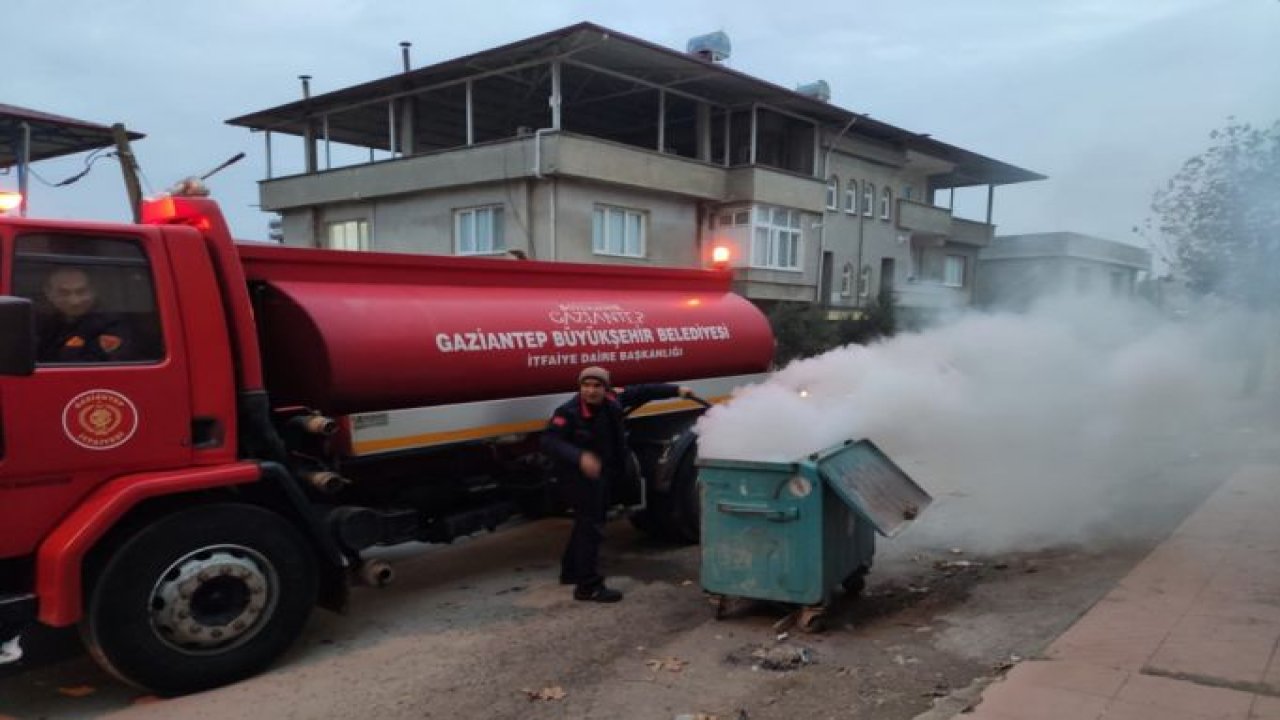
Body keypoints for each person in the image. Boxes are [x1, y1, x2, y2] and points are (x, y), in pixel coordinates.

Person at [541, 366, 693, 602]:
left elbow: (644, 391)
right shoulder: (568, 412)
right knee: (591, 528)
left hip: (603, 472)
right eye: (586, 386)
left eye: (596, 386)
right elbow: (550, 441)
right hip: (578, 477)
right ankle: (588, 587)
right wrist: (579, 457)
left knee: (586, 524)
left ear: (606, 388)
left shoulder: (613, 400)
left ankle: (571, 572)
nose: (591, 391)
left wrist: (677, 390)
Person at [36, 267, 133, 363]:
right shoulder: (41, 323)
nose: (74, 301)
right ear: (49, 293)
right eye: (64, 293)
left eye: (81, 292)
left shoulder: (112, 324)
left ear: (93, 291)